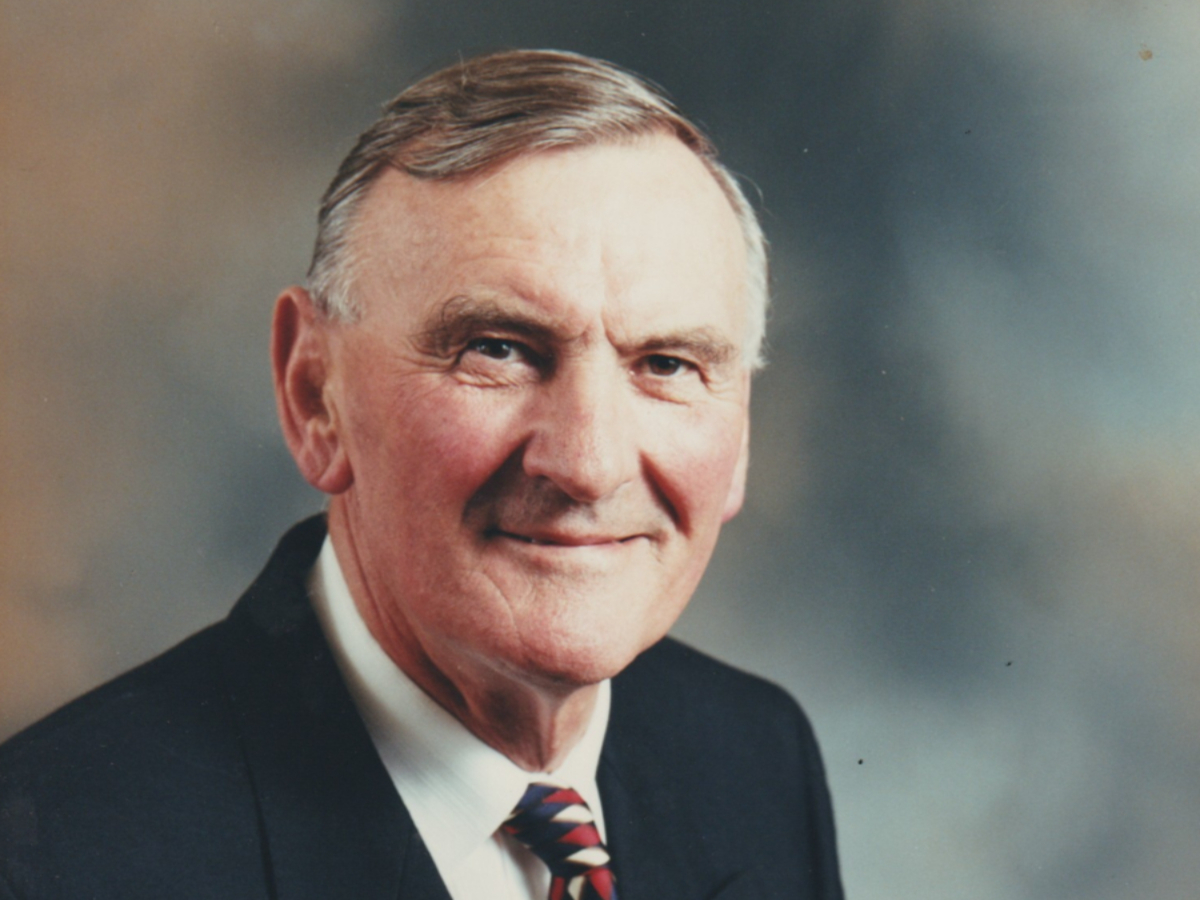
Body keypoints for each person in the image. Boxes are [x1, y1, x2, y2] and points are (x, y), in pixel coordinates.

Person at [0, 50, 843, 900]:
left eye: (666, 363)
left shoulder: (757, 758)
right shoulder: (55, 850)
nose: (588, 465)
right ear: (314, 395)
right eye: (500, 350)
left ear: (739, 434)